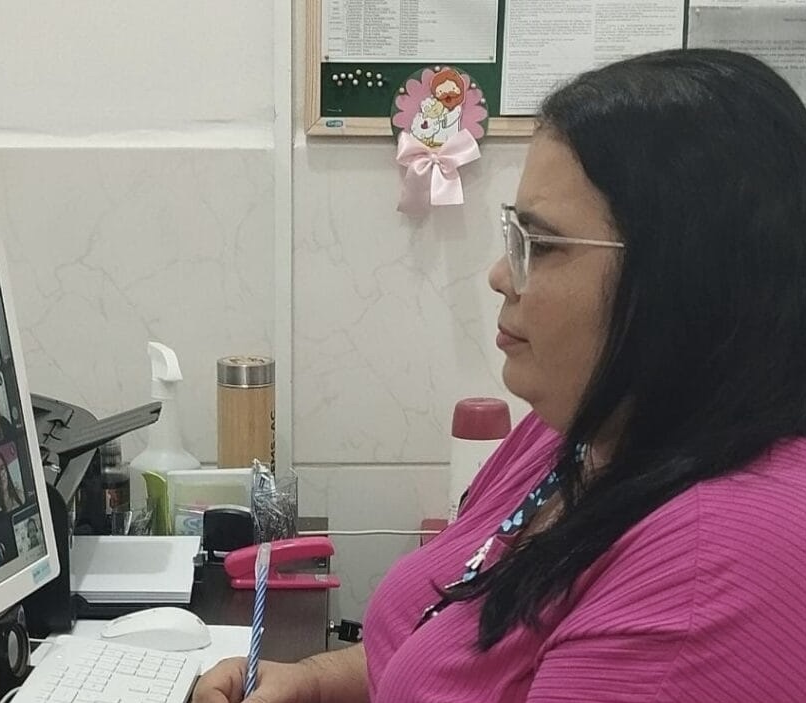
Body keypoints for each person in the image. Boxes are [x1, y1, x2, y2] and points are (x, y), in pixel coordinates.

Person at [194, 49, 806, 702]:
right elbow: (449, 647)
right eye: (514, 234)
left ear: (683, 279)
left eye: (542, 245)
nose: (499, 275)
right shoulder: (579, 425)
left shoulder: (711, 568)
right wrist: (314, 683)